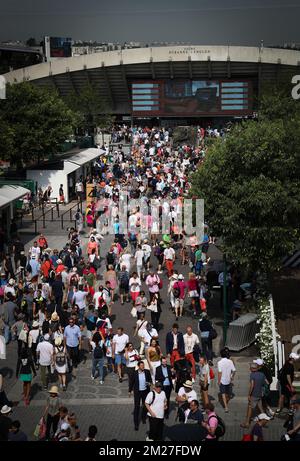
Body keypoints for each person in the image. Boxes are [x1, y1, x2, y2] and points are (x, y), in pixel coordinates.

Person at [241, 362, 269, 429]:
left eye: (250, 368)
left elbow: (252, 385)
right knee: (260, 408)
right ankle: (264, 420)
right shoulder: (262, 374)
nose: (249, 369)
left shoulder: (252, 375)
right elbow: (267, 382)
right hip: (260, 394)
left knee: (250, 408)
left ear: (253, 369)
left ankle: (247, 423)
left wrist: (249, 394)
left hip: (254, 394)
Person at [133, 361, 152, 431]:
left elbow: (150, 380)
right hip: (138, 392)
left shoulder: (147, 372)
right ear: (138, 366)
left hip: (145, 392)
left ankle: (143, 418)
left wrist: (149, 383)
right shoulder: (135, 373)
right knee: (137, 407)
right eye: (141, 366)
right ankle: (136, 424)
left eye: (143, 365)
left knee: (145, 406)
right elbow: (132, 382)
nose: (143, 367)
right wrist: (130, 390)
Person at [217, 348, 236, 413]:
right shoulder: (230, 361)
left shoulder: (219, 362)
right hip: (228, 380)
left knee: (223, 393)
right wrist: (231, 376)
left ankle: (226, 407)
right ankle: (226, 403)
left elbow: (220, 373)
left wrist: (218, 381)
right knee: (227, 393)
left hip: (222, 380)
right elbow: (234, 370)